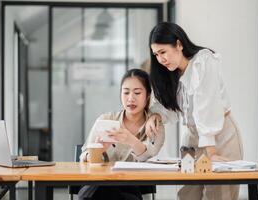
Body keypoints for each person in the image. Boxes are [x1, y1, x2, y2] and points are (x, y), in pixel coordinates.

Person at [146, 22, 243, 200]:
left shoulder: (203, 61)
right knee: (187, 194)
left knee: (219, 195)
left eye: (163, 52)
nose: (160, 59)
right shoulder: (171, 73)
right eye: (156, 54)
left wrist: (211, 153)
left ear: (179, 44)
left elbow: (208, 106)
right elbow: (169, 110)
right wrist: (155, 115)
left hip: (219, 136)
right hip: (190, 137)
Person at [78, 68, 165, 200]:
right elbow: (84, 157)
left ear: (147, 96)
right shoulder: (106, 120)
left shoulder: (154, 124)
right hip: (99, 183)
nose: (131, 98)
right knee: (103, 186)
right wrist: (98, 151)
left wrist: (131, 140)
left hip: (132, 186)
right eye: (125, 93)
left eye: (137, 93)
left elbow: (148, 157)